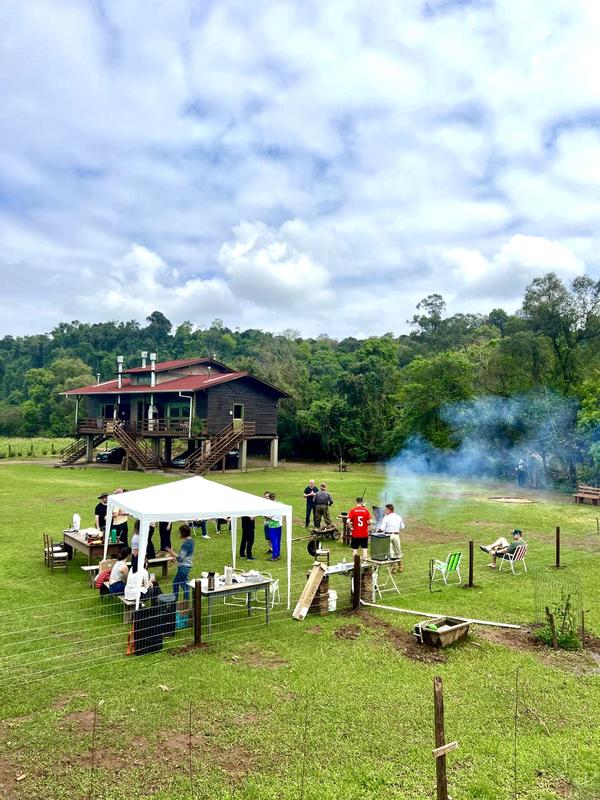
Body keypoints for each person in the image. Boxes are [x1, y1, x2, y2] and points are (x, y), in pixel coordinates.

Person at [167, 524, 195, 604]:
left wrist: (172, 553)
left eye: (180, 532)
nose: (179, 534)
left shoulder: (186, 544)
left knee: (185, 586)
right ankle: (174, 600)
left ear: (183, 533)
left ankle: (185, 603)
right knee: (175, 583)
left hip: (184, 567)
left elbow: (181, 557)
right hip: (185, 567)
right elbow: (184, 555)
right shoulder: (191, 541)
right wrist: (175, 558)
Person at [377, 503, 405, 569]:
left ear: (389, 510)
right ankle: (400, 566)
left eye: (385, 510)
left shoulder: (386, 518)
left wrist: (377, 531)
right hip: (396, 535)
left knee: (391, 552)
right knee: (398, 551)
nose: (385, 511)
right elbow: (402, 527)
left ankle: (393, 568)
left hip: (388, 535)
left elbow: (382, 529)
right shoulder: (399, 517)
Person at [266, 493, 282, 561]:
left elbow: (268, 516)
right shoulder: (279, 503)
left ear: (270, 498)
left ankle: (275, 556)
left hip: (273, 524)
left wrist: (267, 516)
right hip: (279, 523)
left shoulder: (270, 505)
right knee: (278, 540)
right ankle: (277, 554)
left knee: (274, 540)